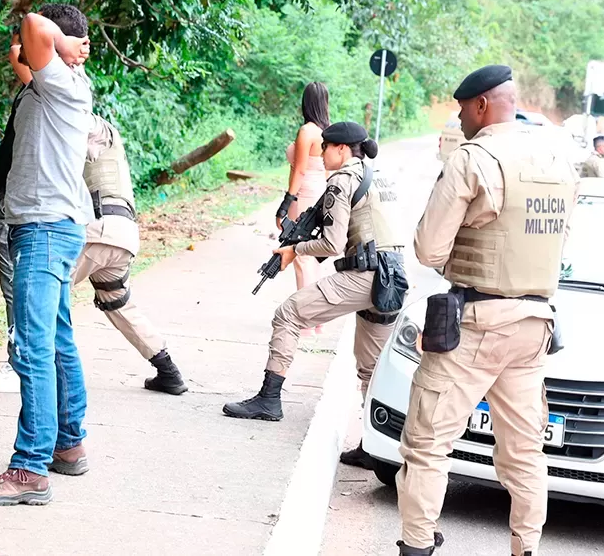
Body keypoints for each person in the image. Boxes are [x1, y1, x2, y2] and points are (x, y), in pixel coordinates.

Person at [395, 65, 578, 556]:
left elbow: (430, 251)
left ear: (480, 106)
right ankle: (527, 548)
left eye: (461, 111)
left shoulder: (473, 158)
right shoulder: (557, 159)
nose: (460, 120)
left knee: (427, 444)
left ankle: (415, 546)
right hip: (535, 326)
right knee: (524, 453)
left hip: (476, 325)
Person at [0, 39, 187, 397]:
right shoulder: (104, 128)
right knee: (117, 300)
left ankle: (18, 366)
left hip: (92, 226)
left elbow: (20, 62)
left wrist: (7, 215)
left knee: (29, 287)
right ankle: (167, 369)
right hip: (123, 233)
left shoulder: (69, 118)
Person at [0, 4, 93, 507]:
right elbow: (26, 47)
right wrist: (10, 210)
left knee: (33, 346)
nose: (21, 51)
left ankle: (29, 468)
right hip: (43, 225)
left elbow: (35, 26)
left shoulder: (60, 80)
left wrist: (57, 39)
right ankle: (68, 443)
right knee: (57, 339)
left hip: (44, 231)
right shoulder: (47, 88)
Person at [224, 121, 407, 467]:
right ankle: (375, 446)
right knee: (370, 367)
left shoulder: (341, 181)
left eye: (325, 147)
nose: (320, 155)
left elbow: (332, 244)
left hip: (366, 274)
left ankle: (268, 399)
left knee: (288, 314)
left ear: (341, 149)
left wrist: (294, 251)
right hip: (393, 278)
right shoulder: (375, 172)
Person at [276, 82, 331, 331]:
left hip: (305, 195)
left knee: (301, 257)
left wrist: (286, 203)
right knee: (314, 257)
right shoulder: (328, 131)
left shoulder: (307, 131)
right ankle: (317, 319)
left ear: (305, 103)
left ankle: (306, 320)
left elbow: (299, 170)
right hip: (321, 195)